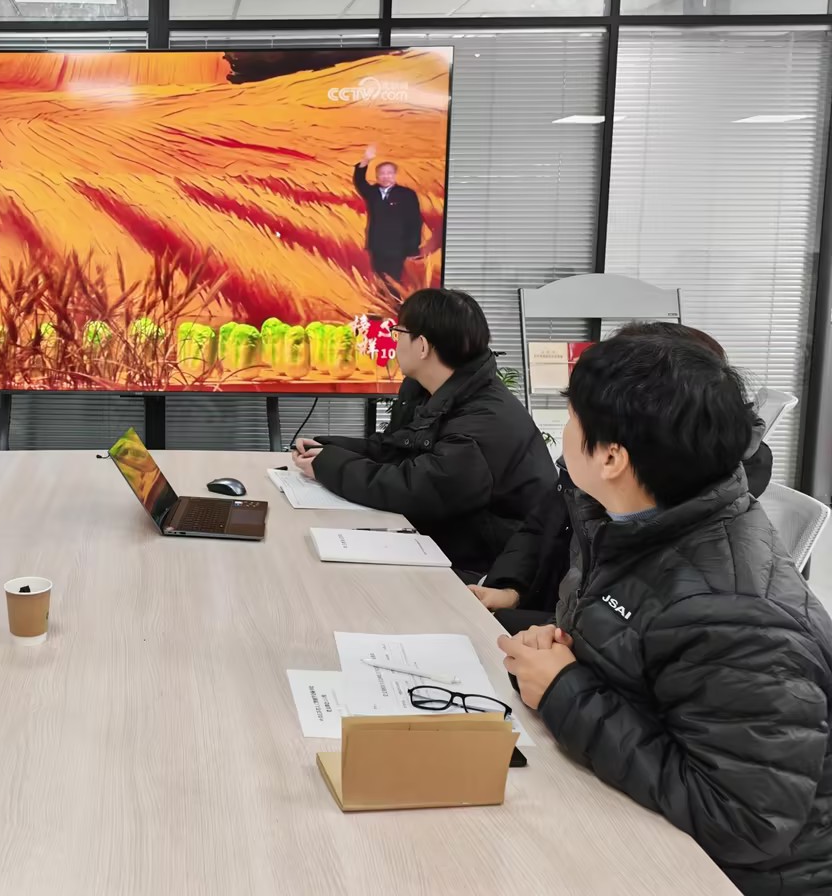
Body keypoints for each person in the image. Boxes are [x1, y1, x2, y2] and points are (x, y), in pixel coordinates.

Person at [497, 334, 832, 895]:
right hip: (631, 819)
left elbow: (744, 822)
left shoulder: (740, 620)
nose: (563, 432)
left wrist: (565, 690)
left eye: (573, 417)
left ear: (612, 457)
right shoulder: (630, 522)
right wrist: (558, 657)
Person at [471, 320, 774, 627]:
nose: (567, 434)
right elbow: (542, 529)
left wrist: (565, 653)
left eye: (574, 418)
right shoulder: (613, 486)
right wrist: (512, 590)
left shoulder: (707, 579)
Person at [292, 289, 556, 575]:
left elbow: (416, 489)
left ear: (422, 346)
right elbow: (397, 448)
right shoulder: (431, 391)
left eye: (398, 333)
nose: (394, 342)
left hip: (486, 570)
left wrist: (331, 465)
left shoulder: (483, 421)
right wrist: (328, 449)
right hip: (445, 542)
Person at [353, 143, 422, 282]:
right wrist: (366, 159)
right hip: (377, 246)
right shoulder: (372, 193)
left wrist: (413, 248)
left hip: (398, 247)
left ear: (395, 175)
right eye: (382, 174)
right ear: (377, 176)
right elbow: (359, 181)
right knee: (380, 280)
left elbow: (415, 222)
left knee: (393, 281)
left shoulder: (407, 194)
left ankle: (393, 297)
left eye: (389, 173)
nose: (386, 176)